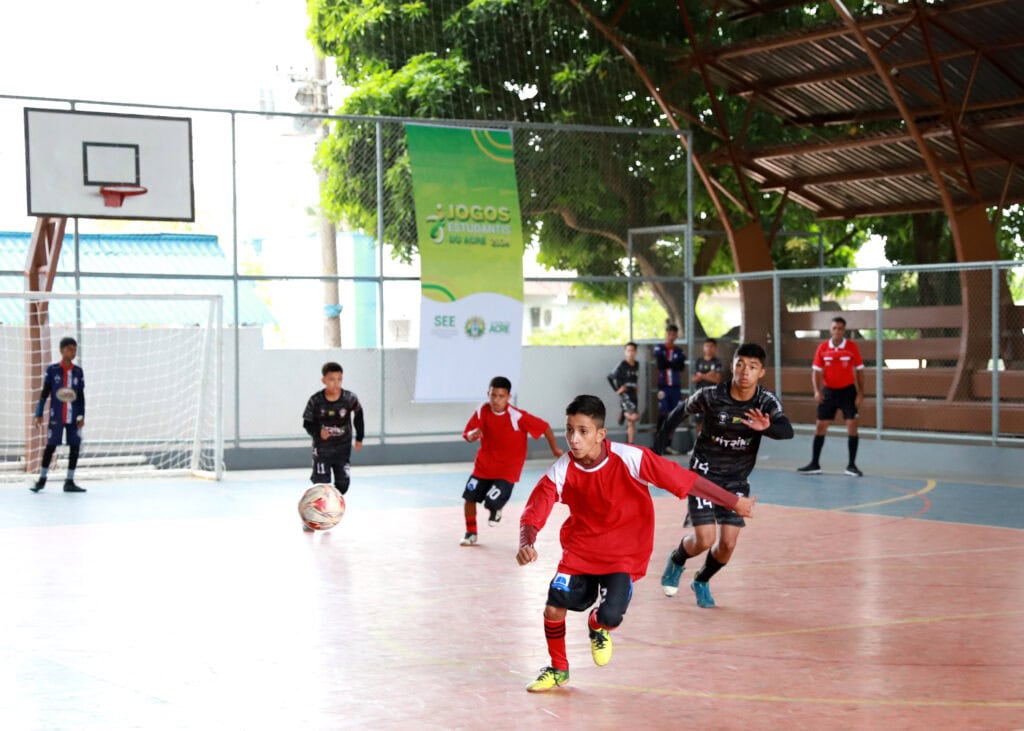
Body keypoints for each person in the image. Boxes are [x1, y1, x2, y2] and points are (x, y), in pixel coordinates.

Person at [516, 394, 756, 692]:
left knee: (610, 616)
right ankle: (558, 669)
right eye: (569, 430)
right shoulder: (563, 469)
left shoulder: (632, 458)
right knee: (554, 608)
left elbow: (685, 479)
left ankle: (597, 625)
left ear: (601, 434)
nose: (573, 439)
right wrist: (528, 540)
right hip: (580, 551)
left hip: (623, 554)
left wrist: (733, 502)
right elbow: (537, 506)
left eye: (583, 431)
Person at [654, 342, 793, 607]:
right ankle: (677, 559)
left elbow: (787, 430)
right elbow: (678, 412)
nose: (745, 371)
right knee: (705, 539)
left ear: (761, 372)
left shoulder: (765, 400)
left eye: (752, 367)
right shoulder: (711, 395)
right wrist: (657, 449)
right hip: (703, 475)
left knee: (727, 544)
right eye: (740, 364)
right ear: (732, 365)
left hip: (736, 480)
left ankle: (702, 580)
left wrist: (768, 428)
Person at [459, 376, 563, 546]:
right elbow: (468, 433)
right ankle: (471, 533)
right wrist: (471, 435)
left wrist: (554, 449)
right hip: (484, 466)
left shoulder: (517, 416)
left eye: (501, 396)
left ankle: (495, 509)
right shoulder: (482, 411)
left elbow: (544, 427)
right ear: (488, 394)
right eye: (493, 395)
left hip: (508, 469)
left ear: (508, 397)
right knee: (469, 498)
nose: (496, 400)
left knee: (491, 502)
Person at [797, 316, 865, 477]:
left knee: (852, 426)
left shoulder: (851, 347)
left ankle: (851, 466)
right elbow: (816, 371)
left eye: (840, 329)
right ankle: (814, 464)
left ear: (844, 331)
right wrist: (817, 390)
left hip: (848, 392)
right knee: (820, 426)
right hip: (829, 391)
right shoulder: (822, 348)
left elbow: (860, 370)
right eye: (834, 328)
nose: (837, 331)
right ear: (830, 330)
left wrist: (861, 392)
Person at [302, 361, 364, 531]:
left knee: (342, 485)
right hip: (322, 450)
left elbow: (359, 416)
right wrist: (318, 432)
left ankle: (328, 508)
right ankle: (310, 515)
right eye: (331, 379)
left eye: (339, 379)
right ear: (324, 380)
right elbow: (307, 423)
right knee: (321, 484)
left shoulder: (350, 398)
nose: (335, 383)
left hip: (343, 450)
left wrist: (360, 437)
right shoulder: (316, 401)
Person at [30, 336, 87, 493]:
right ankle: (41, 480)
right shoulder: (52, 370)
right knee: (50, 447)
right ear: (62, 350)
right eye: (69, 349)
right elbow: (45, 393)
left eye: (75, 349)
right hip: (57, 416)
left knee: (74, 446)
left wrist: (82, 415)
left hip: (73, 417)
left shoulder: (78, 372)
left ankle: (69, 481)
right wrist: (39, 413)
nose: (73, 352)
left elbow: (81, 396)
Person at [652, 324, 687, 453]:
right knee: (662, 414)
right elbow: (660, 364)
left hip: (675, 388)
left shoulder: (679, 351)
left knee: (674, 415)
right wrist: (673, 364)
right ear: (666, 334)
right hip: (663, 387)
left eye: (674, 334)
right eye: (669, 334)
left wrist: (670, 364)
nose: (671, 336)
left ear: (677, 335)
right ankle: (657, 444)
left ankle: (668, 445)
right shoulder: (659, 348)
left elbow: (681, 367)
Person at [689, 338, 724, 447]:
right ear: (704, 347)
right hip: (700, 396)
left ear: (715, 348)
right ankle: (699, 445)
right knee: (699, 420)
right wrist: (709, 374)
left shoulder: (717, 362)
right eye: (707, 346)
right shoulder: (699, 361)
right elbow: (693, 379)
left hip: (712, 396)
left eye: (711, 346)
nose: (709, 348)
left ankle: (712, 445)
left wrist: (702, 375)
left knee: (712, 419)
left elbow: (717, 379)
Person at [607, 341, 640, 444]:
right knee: (633, 417)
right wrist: (617, 389)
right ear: (625, 352)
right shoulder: (622, 365)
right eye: (628, 350)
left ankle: (630, 443)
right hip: (625, 394)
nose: (631, 353)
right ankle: (624, 413)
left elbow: (634, 378)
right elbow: (610, 377)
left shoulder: (637, 364)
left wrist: (635, 386)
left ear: (636, 352)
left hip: (633, 393)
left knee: (632, 421)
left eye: (633, 350)